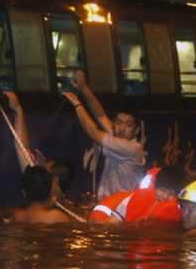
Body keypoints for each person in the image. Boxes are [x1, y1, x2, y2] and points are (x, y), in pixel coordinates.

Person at [60, 70, 145, 200]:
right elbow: (100, 115)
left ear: (136, 131)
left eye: (128, 125)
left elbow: (93, 133)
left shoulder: (131, 148)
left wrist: (77, 105)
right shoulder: (117, 137)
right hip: (109, 204)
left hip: (122, 209)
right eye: (119, 122)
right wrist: (84, 88)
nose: (122, 128)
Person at [4, 91, 73, 224]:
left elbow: (21, 149)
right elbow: (22, 148)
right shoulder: (57, 217)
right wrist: (19, 111)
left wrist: (19, 111)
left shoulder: (17, 216)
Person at [88, 167, 196, 230]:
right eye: (162, 190)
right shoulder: (131, 200)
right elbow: (111, 223)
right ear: (155, 185)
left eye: (170, 193)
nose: (164, 196)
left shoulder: (182, 209)